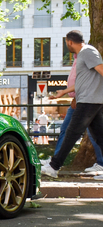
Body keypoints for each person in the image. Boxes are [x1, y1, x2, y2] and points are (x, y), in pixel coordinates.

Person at [42, 30, 103, 178]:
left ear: (69, 42)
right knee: (100, 137)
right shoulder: (84, 53)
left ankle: (54, 166)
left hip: (89, 101)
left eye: (66, 43)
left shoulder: (88, 51)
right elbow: (83, 81)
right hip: (90, 100)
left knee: (71, 133)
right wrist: (64, 92)